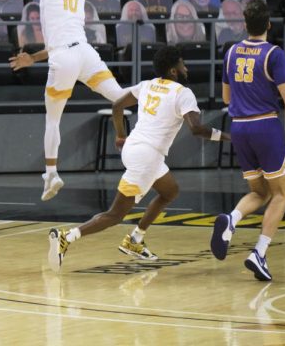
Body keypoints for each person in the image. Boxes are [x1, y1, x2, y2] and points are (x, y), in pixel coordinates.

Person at [47, 46, 229, 272]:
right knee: (115, 214)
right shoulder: (183, 93)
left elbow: (117, 106)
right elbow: (197, 129)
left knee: (170, 191)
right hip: (147, 157)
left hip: (134, 148)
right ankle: (67, 237)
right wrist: (227, 137)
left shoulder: (147, 84)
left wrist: (121, 135)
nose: (186, 68)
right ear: (173, 70)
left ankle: (136, 239)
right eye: (183, 65)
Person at [7, 0, 132, 200]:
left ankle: (51, 175)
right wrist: (33, 59)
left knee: (53, 119)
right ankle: (157, 100)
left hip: (63, 58)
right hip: (86, 54)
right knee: (120, 97)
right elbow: (63, 38)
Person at [211, 0, 285, 282]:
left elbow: (226, 98)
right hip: (264, 126)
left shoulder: (231, 52)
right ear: (268, 25)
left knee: (260, 191)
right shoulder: (274, 54)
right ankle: (259, 253)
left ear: (244, 25)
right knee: (281, 193)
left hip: (238, 128)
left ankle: (232, 220)